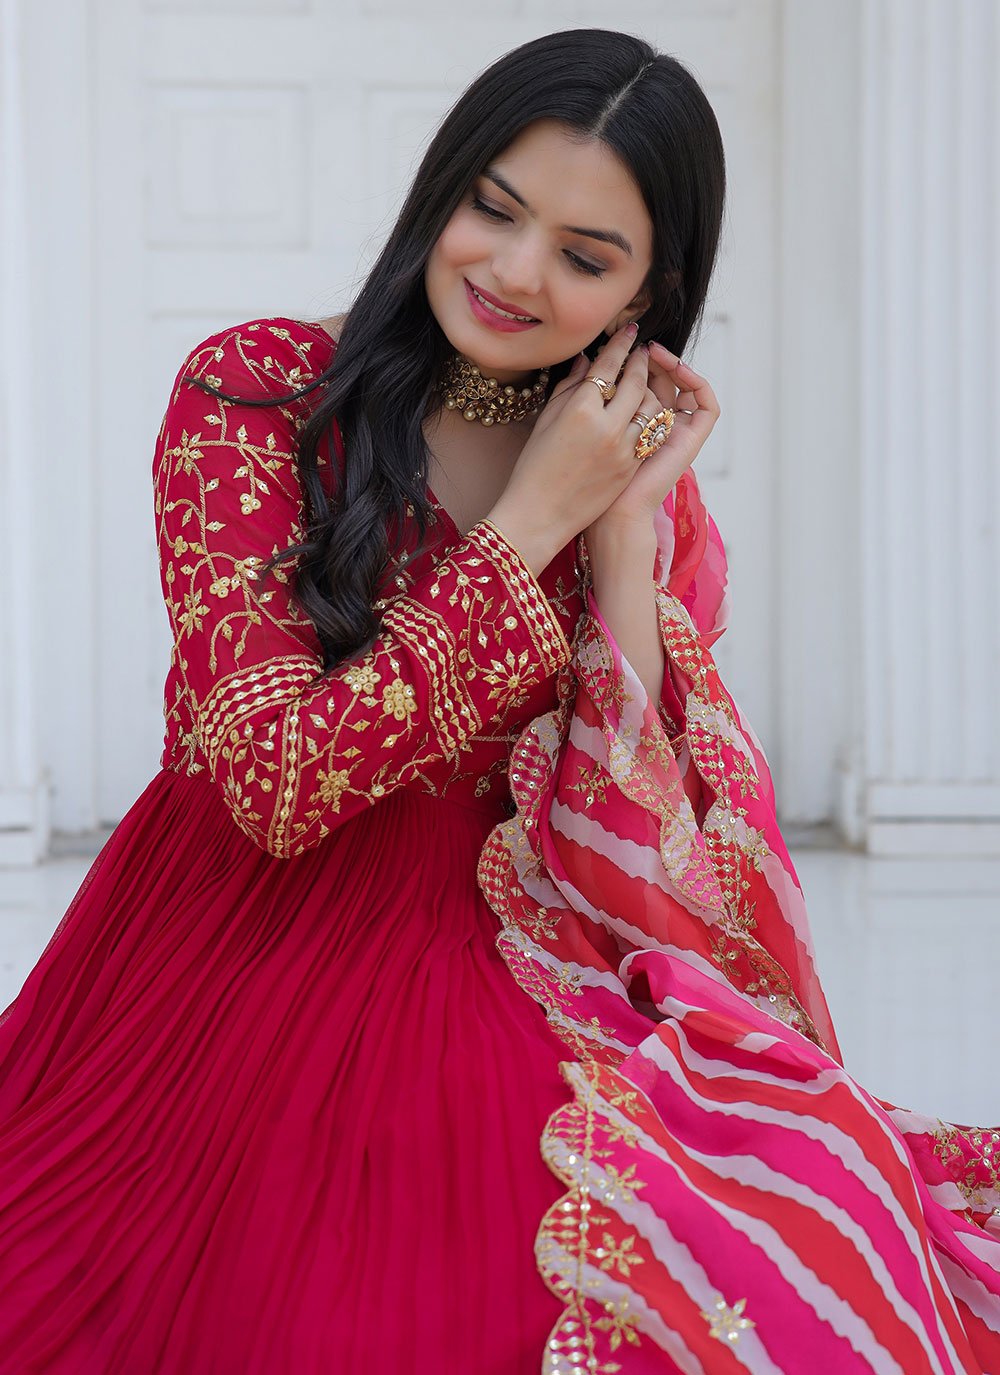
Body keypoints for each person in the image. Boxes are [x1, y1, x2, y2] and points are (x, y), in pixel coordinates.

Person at [0, 25, 997, 1374]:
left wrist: (629, 523)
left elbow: (650, 833)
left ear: (653, 290)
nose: (516, 273)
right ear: (444, 188)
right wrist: (533, 519)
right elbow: (280, 787)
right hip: (240, 946)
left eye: (586, 258)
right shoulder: (255, 398)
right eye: (495, 209)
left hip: (510, 938)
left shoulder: (620, 470)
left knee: (819, 1227)